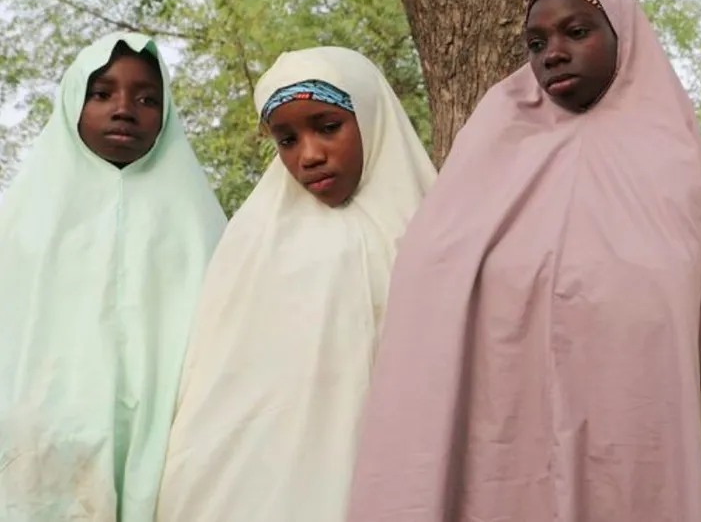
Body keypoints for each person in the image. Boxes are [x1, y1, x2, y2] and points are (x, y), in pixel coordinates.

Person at [346, 0, 701, 522]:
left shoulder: (671, 152)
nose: (554, 54)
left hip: (630, 408)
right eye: (537, 43)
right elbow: (432, 265)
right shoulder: (498, 136)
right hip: (506, 410)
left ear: (623, 34)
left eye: (577, 32)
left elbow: (689, 295)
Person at [154, 47, 436, 522]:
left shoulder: (433, 233)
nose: (309, 156)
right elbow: (221, 400)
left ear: (371, 117)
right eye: (286, 140)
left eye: (328, 127)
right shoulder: (254, 243)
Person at [0, 32, 226, 521]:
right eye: (102, 94)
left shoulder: (199, 225)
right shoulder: (20, 224)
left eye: (147, 99)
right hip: (43, 450)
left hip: (170, 447)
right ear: (71, 103)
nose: (125, 110)